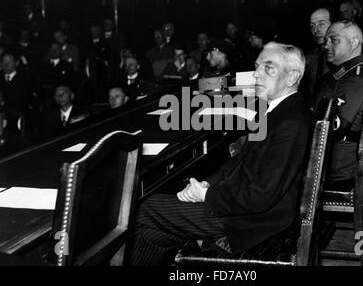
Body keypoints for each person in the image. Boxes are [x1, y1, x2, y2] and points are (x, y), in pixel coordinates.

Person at [128, 42, 311, 266]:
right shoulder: (275, 111)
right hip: (242, 205)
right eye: (257, 66)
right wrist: (205, 184)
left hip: (253, 221)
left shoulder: (291, 122)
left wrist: (207, 196)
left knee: (141, 209)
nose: (256, 74)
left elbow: (262, 195)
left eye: (268, 68)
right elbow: (237, 164)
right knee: (151, 235)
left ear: (292, 77)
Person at [313, 21, 363, 189]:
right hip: (334, 158)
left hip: (336, 167)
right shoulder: (346, 72)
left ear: (353, 43)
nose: (326, 45)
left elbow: (334, 128)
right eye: (326, 40)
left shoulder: (355, 79)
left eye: (333, 40)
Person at [303, 9, 363, 104]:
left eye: (321, 24)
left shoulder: (361, 55)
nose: (315, 30)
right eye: (312, 26)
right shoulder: (313, 55)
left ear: (335, 25)